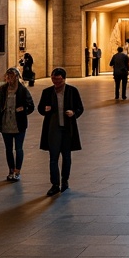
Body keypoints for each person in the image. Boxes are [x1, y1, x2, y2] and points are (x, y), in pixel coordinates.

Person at [37, 68, 84, 196]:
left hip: (68, 129)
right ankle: (55, 184)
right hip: (53, 129)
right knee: (53, 158)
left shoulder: (72, 91)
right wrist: (45, 109)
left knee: (67, 157)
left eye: (58, 79)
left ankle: (65, 181)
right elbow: (40, 108)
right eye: (53, 79)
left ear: (64, 79)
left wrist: (73, 113)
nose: (55, 82)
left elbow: (80, 107)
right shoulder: (47, 92)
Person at [0, 67, 35, 181]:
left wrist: (23, 110)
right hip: (6, 123)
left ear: (16, 77)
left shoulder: (22, 90)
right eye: (8, 76)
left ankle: (17, 171)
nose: (9, 79)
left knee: (19, 148)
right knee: (8, 149)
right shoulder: (2, 89)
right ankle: (11, 170)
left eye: (12, 76)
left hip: (18, 124)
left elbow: (31, 106)